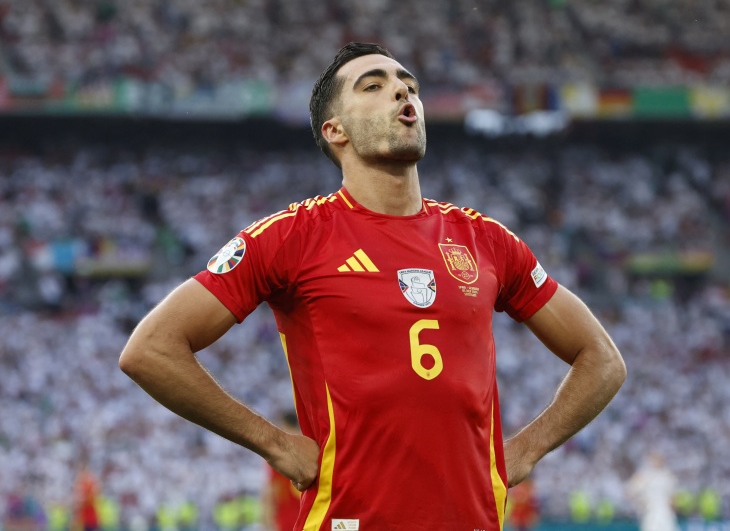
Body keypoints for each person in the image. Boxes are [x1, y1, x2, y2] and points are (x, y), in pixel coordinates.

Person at [119, 42, 626, 530]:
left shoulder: (486, 240)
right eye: (373, 86)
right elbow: (151, 349)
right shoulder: (293, 236)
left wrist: (526, 450)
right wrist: (274, 443)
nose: (403, 92)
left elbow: (602, 359)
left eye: (409, 85)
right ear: (335, 130)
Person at [261, 411, 303, 531]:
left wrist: (266, 519)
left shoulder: (276, 455)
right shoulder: (312, 448)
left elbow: (270, 490)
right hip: (305, 516)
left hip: (288, 518)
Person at [626, 452, 678, 531]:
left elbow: (673, 498)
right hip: (650, 515)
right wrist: (640, 504)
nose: (657, 461)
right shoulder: (644, 476)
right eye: (654, 459)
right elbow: (629, 491)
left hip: (666, 515)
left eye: (658, 459)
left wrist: (673, 507)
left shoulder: (668, 476)